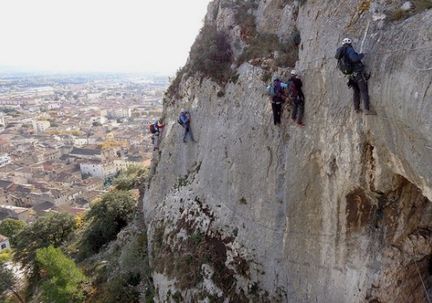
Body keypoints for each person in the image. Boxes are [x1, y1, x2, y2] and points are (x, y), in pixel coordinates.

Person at [335, 38, 373, 114]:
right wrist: (362, 55)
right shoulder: (349, 49)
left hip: (350, 76)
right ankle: (366, 109)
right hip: (357, 74)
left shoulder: (339, 53)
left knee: (356, 91)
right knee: (363, 90)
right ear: (350, 43)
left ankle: (356, 108)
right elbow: (354, 59)